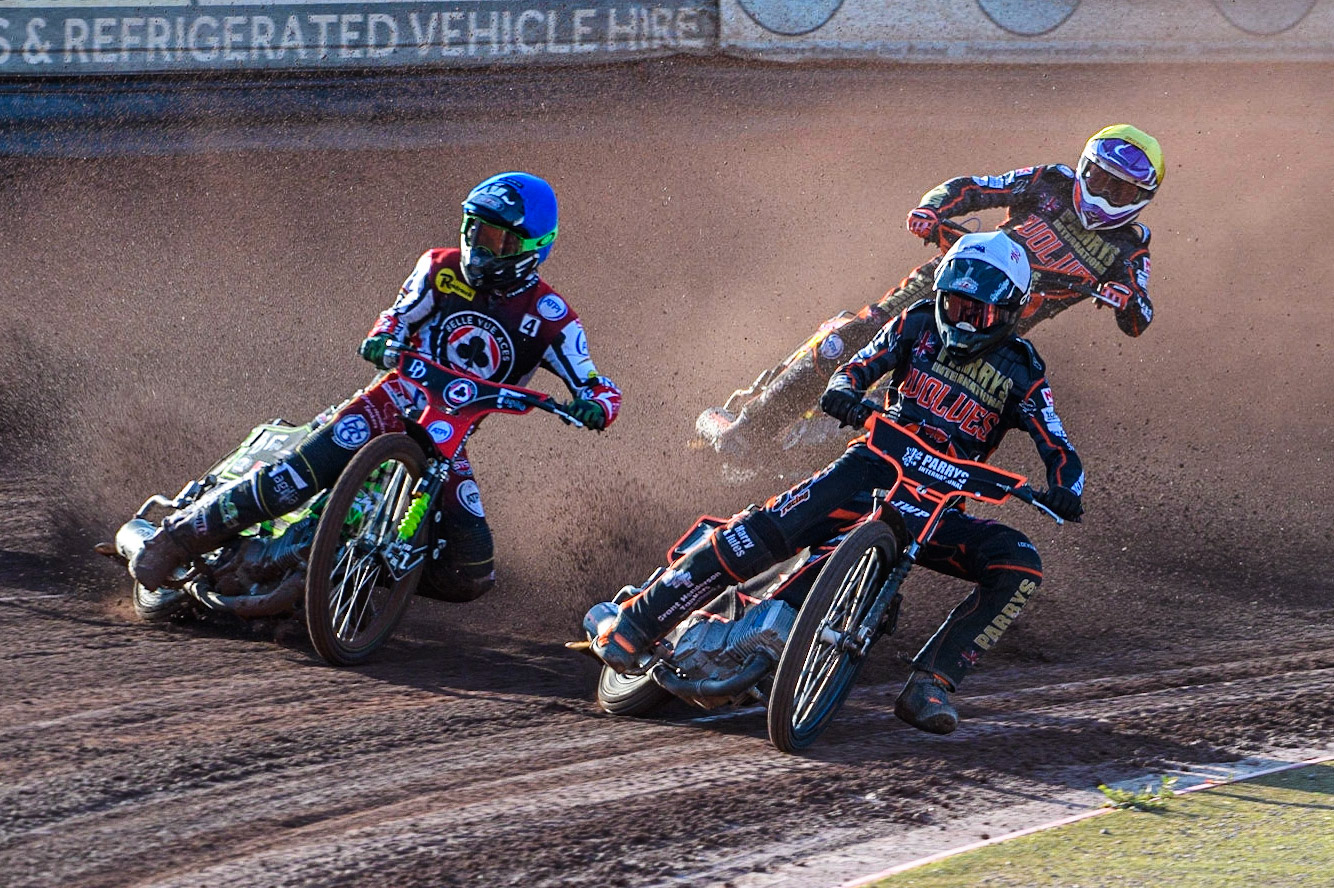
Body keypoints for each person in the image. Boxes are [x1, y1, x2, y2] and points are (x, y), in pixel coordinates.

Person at [589, 231, 1083, 735]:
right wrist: (844, 393)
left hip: (939, 509)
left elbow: (1060, 447)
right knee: (764, 530)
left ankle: (932, 683)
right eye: (953, 303)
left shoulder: (1023, 371)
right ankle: (638, 620)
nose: (959, 320)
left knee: (1019, 563)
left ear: (1009, 313)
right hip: (871, 467)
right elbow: (854, 368)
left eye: (975, 313)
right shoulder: (915, 323)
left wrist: (1066, 488)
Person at [131, 171, 621, 600]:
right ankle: (176, 537)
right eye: (476, 230)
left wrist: (595, 405)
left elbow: (595, 382)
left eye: (499, 240)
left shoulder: (552, 317)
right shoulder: (439, 266)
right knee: (296, 478)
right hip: (390, 399)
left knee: (471, 572)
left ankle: (349, 577)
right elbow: (396, 316)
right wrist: (382, 338)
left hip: (449, 435)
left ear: (534, 246)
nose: (481, 246)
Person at [696, 124, 1163, 455]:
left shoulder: (1129, 245)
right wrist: (931, 207)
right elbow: (975, 187)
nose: (1103, 194)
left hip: (995, 331)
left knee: (928, 411)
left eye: (1119, 191)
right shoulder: (1051, 182)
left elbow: (1140, 312)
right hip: (945, 280)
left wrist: (1126, 300)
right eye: (1099, 178)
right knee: (847, 339)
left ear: (1140, 199)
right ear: (1083, 168)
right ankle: (750, 429)